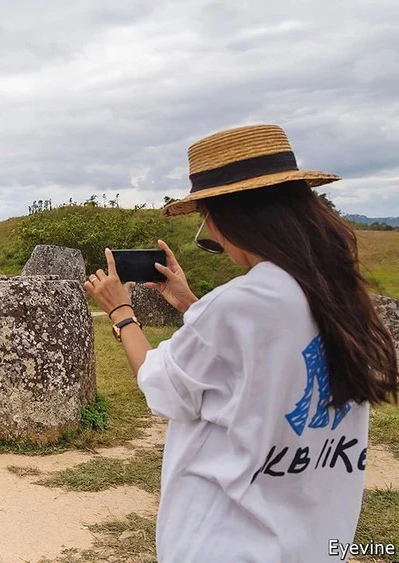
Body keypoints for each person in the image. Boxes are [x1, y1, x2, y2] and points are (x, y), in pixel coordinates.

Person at [83, 124, 398, 562]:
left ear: (225, 216)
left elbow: (158, 382)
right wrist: (190, 303)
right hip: (317, 541)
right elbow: (249, 351)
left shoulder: (240, 304)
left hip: (230, 541)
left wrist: (120, 312)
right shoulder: (340, 294)